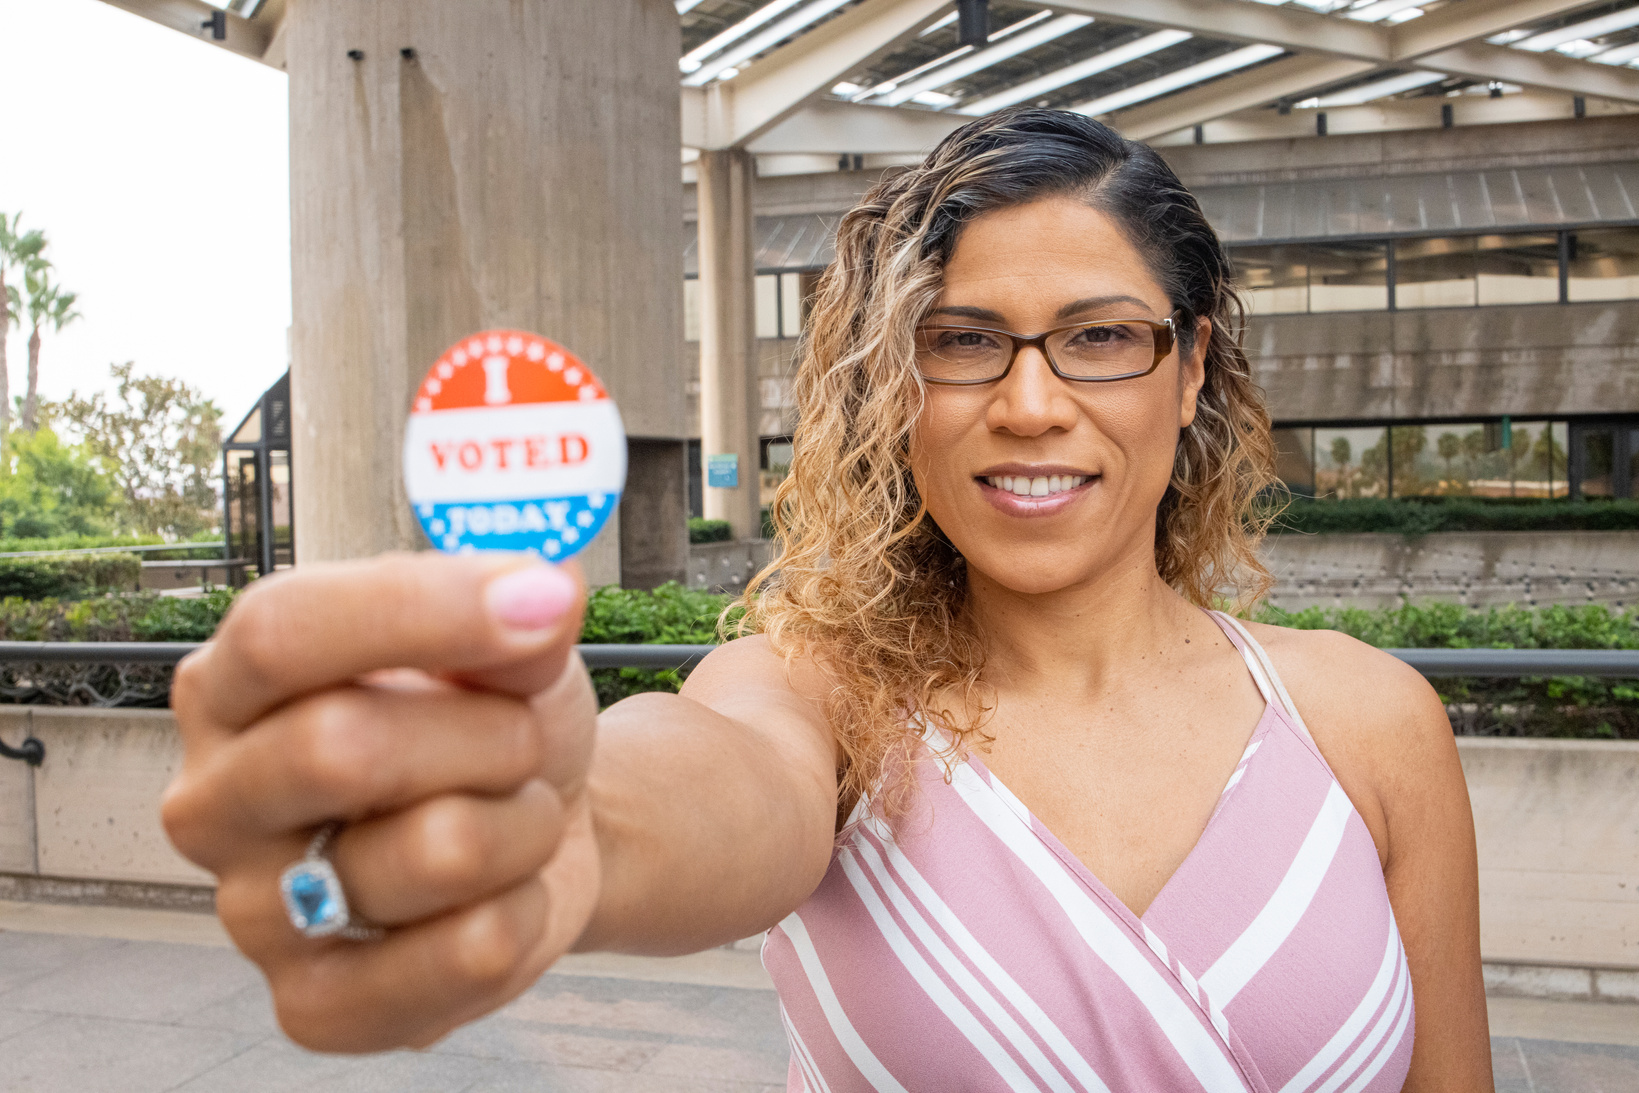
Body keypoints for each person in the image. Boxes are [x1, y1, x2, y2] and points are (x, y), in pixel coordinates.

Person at [162, 110, 1491, 1091]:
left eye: (1099, 336)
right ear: (896, 389)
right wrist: (564, 830)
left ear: (1192, 368)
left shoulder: (1370, 726)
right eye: (962, 341)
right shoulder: (830, 699)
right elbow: (708, 772)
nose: (1031, 403)